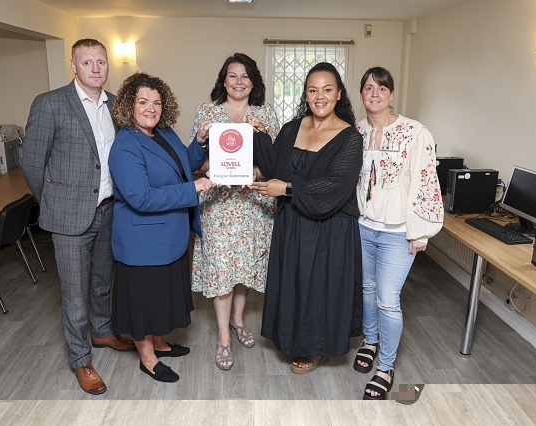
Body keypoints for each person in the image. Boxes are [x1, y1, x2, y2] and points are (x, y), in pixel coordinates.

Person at [22, 38, 135, 396]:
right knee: (74, 294)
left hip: (108, 210)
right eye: (88, 62)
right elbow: (31, 164)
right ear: (74, 65)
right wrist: (54, 202)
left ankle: (102, 333)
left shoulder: (116, 105)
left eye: (101, 62)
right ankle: (80, 359)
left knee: (103, 281)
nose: (96, 68)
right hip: (68, 218)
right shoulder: (51, 104)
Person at [250, 62, 363, 374]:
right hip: (293, 223)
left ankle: (316, 348)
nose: (320, 96)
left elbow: (336, 186)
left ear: (339, 94)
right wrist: (259, 135)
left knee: (319, 287)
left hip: (329, 228)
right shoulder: (291, 128)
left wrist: (286, 188)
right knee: (295, 283)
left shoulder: (350, 138)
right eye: (313, 90)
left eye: (327, 89)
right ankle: (293, 338)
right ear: (306, 95)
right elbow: (274, 166)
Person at [108, 72, 214, 383]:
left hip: (169, 235)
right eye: (143, 102)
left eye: (156, 102)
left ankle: (159, 343)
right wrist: (193, 188)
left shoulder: (163, 133)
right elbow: (141, 198)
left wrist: (200, 142)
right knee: (144, 302)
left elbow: (183, 162)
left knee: (160, 298)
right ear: (130, 105)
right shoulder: (126, 145)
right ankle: (148, 357)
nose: (151, 108)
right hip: (143, 241)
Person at [352, 66, 444, 400]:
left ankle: (386, 367)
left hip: (398, 232)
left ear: (391, 94)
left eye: (381, 88)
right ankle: (370, 341)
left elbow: (426, 182)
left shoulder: (415, 133)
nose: (374, 94)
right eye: (367, 88)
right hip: (363, 227)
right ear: (360, 94)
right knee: (366, 289)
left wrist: (421, 231)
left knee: (388, 300)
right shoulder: (356, 131)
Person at [190, 53, 280, 370]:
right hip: (219, 206)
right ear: (223, 80)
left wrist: (262, 140)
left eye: (245, 76)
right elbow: (195, 163)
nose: (238, 81)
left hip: (254, 206)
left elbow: (274, 164)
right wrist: (210, 162)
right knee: (221, 273)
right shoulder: (208, 112)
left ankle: (239, 321)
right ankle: (224, 338)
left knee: (242, 269)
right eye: (232, 75)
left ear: (253, 81)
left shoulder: (265, 113)